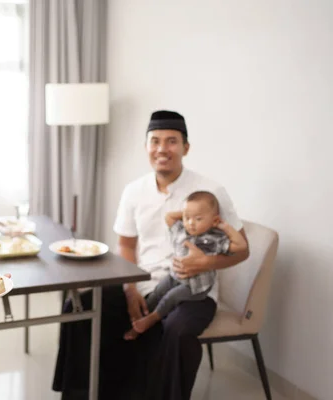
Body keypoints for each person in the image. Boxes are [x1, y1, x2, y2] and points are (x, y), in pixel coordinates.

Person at [52, 110, 250, 400]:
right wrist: (130, 289)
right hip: (142, 282)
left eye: (171, 141)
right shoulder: (134, 191)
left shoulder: (210, 191)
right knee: (78, 306)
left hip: (194, 290)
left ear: (186, 148)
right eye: (155, 141)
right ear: (146, 147)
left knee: (177, 330)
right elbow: (127, 246)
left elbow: (242, 250)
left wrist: (206, 262)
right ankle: (86, 394)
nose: (162, 149)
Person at [125, 190, 248, 337]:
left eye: (198, 219)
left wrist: (224, 226)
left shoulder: (214, 239)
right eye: (187, 218)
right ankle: (140, 322)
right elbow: (168, 216)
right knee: (157, 292)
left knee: (171, 297)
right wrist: (187, 213)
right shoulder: (181, 230)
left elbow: (242, 246)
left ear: (214, 220)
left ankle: (152, 319)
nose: (191, 223)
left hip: (195, 286)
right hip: (175, 276)